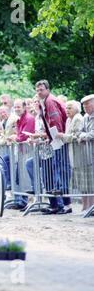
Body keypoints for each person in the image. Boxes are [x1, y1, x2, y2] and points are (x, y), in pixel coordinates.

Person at [35, 80, 71, 214]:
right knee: (57, 171)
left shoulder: (50, 102)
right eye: (37, 90)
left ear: (48, 89)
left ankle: (65, 205)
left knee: (61, 172)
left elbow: (55, 123)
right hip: (55, 140)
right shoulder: (44, 102)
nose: (39, 92)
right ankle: (60, 205)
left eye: (41, 90)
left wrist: (55, 140)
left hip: (59, 141)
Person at [78, 94, 94, 212]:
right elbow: (80, 132)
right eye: (83, 105)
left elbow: (91, 134)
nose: (85, 107)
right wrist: (82, 136)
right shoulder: (85, 118)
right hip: (88, 155)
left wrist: (83, 136)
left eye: (87, 104)